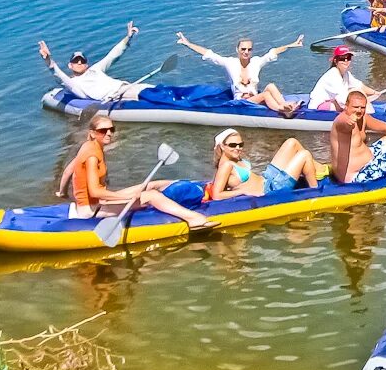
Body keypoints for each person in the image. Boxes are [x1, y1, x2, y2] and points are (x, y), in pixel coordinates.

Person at [60, 114, 215, 229]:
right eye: (103, 130)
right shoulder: (92, 155)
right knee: (151, 195)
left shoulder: (88, 146)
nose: (108, 133)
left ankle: (191, 187)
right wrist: (125, 196)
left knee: (153, 185)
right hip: (91, 210)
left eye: (111, 129)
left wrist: (62, 193)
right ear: (93, 133)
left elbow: (68, 171)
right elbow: (95, 192)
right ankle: (193, 219)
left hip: (98, 203)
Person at [175, 31, 304, 116]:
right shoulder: (230, 63)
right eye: (243, 49)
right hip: (241, 102)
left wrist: (292, 44)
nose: (246, 52)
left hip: (254, 98)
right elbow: (209, 54)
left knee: (270, 86)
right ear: (237, 50)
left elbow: (273, 52)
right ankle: (282, 110)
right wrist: (188, 43)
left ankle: (283, 105)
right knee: (265, 94)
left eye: (249, 49)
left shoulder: (256, 62)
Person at [39, 21, 146, 101]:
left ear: (87, 65)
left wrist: (128, 38)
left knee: (154, 88)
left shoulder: (95, 69)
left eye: (82, 61)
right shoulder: (73, 83)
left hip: (127, 86)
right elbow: (59, 75)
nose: (79, 63)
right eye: (76, 61)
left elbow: (112, 56)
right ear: (70, 66)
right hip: (118, 95)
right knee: (151, 95)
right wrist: (49, 60)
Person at [207, 129, 322, 200]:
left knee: (292, 142)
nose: (238, 148)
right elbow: (217, 195)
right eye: (232, 145)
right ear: (222, 146)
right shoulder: (226, 166)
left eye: (240, 144)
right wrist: (242, 192)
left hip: (267, 178)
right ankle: (315, 192)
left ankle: (319, 169)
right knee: (305, 155)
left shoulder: (233, 159)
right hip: (271, 189)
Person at [307, 46, 378, 111]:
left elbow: (359, 86)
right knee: (355, 102)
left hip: (333, 101)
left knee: (356, 91)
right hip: (317, 108)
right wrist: (361, 105)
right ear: (335, 61)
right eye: (342, 58)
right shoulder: (332, 75)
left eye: (348, 58)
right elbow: (342, 99)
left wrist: (375, 93)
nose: (346, 61)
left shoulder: (346, 74)